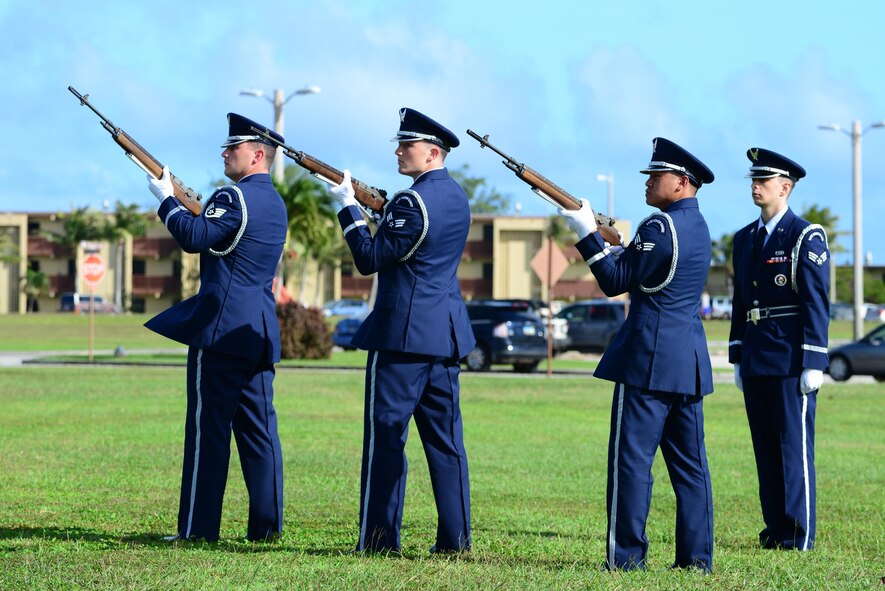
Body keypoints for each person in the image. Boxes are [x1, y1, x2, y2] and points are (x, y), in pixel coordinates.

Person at [560, 137, 716, 572]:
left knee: (630, 464)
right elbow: (649, 273)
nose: (648, 182)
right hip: (686, 359)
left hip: (648, 359)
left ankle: (626, 559)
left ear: (682, 183)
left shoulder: (659, 227)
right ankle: (696, 560)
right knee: (690, 470)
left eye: (657, 176)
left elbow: (614, 281)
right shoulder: (699, 226)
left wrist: (584, 232)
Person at [328, 108, 476, 554]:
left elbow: (371, 258)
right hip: (444, 334)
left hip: (402, 338)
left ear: (432, 152)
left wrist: (348, 208)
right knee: (447, 445)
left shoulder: (412, 203)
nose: (398, 150)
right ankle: (456, 541)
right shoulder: (456, 196)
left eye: (406, 145)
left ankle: (378, 542)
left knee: (386, 438)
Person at [144, 113, 288, 542]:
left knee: (209, 434)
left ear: (257, 154)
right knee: (260, 436)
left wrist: (167, 199)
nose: (225, 152)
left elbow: (194, 237)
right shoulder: (274, 202)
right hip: (257, 330)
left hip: (221, 331)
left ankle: (197, 530)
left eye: (234, 147)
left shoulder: (235, 197)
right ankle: (266, 529)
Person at [728, 148, 829, 551]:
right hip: (757, 358)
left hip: (790, 359)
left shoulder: (805, 236)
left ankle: (798, 535)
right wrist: (737, 354)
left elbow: (816, 302)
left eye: (764, 181)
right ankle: (775, 530)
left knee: (793, 449)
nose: (756, 186)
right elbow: (740, 300)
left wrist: (814, 360)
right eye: (754, 180)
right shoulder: (743, 239)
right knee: (765, 449)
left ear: (784, 188)